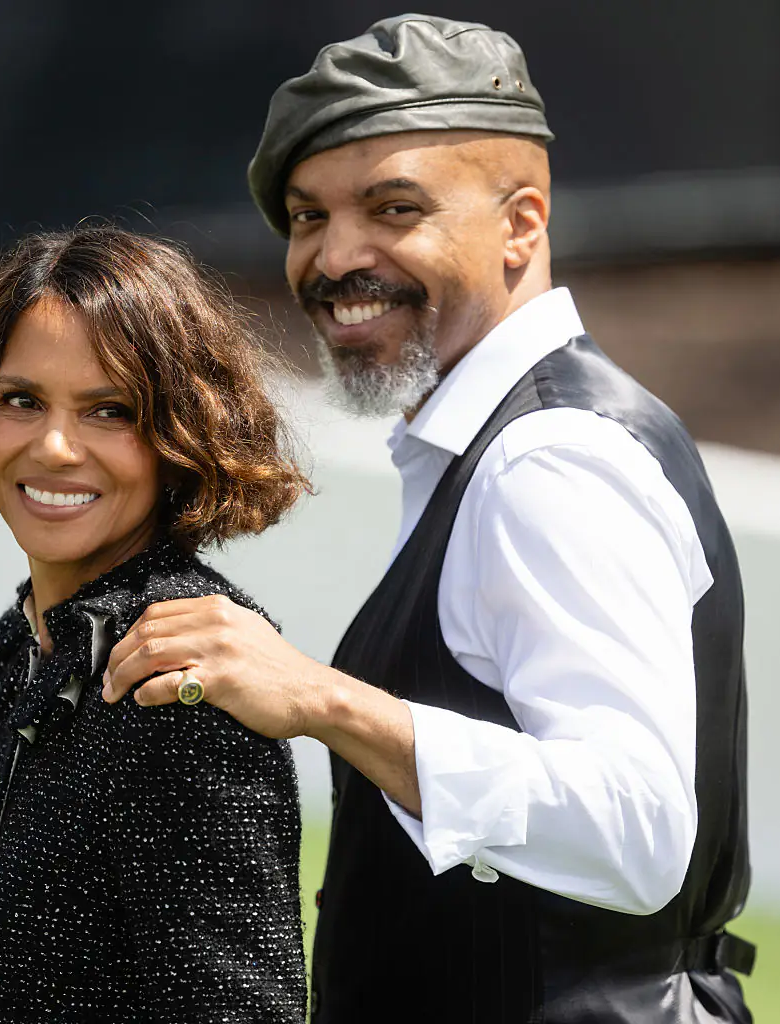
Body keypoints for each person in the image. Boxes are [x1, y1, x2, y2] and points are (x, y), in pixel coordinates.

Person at [100, 15, 756, 1024]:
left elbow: (637, 834)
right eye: (307, 216)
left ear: (522, 225)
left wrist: (320, 699)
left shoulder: (550, 460)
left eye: (392, 207)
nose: (332, 256)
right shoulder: (496, 442)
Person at [0, 226, 308, 1023]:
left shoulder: (183, 680)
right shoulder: (20, 644)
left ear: (182, 433)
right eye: (22, 400)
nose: (53, 446)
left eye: (109, 410)